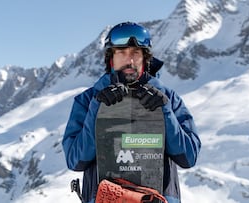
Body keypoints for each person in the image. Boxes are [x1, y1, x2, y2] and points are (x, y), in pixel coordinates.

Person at [62, 22, 201, 203]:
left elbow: (188, 157)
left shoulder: (169, 99)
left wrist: (164, 110)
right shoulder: (87, 101)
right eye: (122, 52)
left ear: (145, 58)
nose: (130, 60)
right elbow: (76, 160)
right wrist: (98, 107)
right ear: (111, 59)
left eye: (136, 53)